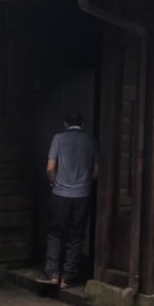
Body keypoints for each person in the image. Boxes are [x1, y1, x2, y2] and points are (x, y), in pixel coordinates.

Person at [43, 111, 98, 288]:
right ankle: (67, 276)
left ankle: (52, 273)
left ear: (65, 123)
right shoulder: (90, 141)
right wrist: (86, 183)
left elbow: (50, 168)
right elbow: (96, 170)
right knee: (76, 235)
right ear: (82, 123)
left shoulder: (58, 139)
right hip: (82, 194)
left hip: (60, 193)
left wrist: (54, 184)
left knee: (55, 233)